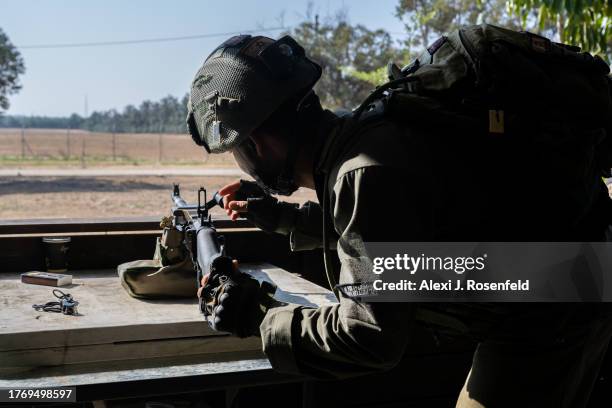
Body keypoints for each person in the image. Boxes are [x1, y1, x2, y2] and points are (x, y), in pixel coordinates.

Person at [187, 31, 612, 407]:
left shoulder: (363, 171)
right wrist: (282, 218)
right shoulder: (370, 136)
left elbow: (368, 335)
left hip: (552, 311)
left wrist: (258, 314)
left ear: (258, 145)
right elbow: (399, 243)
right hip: (567, 279)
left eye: (238, 152)